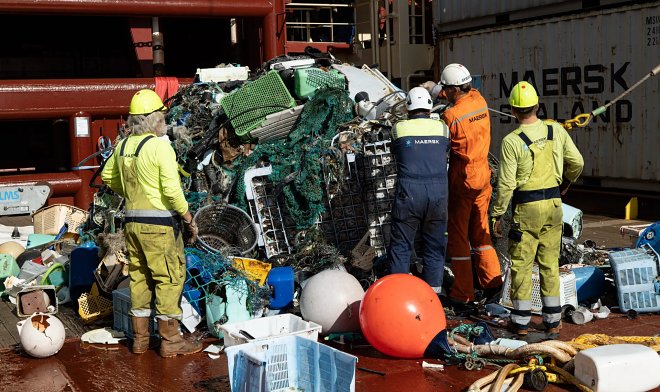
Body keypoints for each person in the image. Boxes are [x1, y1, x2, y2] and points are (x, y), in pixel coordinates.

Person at [101, 89, 202, 357]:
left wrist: (131, 193)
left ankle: (141, 341)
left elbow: (107, 176)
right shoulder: (160, 146)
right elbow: (171, 190)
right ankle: (171, 343)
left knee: (140, 279)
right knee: (168, 279)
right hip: (160, 227)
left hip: (132, 224)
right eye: (161, 116)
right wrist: (188, 217)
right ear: (154, 118)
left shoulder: (122, 146)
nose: (163, 121)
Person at [491, 81, 584, 336]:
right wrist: (565, 183)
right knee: (550, 263)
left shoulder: (511, 141)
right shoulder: (556, 130)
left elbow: (506, 184)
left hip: (527, 209)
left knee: (521, 264)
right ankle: (553, 321)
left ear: (512, 110)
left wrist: (497, 214)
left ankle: (520, 323)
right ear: (538, 106)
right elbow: (577, 162)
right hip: (554, 206)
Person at [423, 63, 503, 309]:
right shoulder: (479, 100)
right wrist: (437, 88)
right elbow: (456, 95)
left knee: (458, 236)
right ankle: (492, 283)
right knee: (481, 232)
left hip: (463, 179)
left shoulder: (451, 116)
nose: (444, 93)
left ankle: (463, 293)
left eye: (447, 90)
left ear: (454, 90)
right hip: (483, 177)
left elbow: (441, 144)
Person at [387, 87, 450, 294]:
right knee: (434, 247)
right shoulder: (443, 128)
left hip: (410, 192)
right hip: (438, 194)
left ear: (408, 106)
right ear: (430, 106)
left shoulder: (399, 128)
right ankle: (433, 297)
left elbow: (395, 150)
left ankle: (400, 295)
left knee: (402, 246)